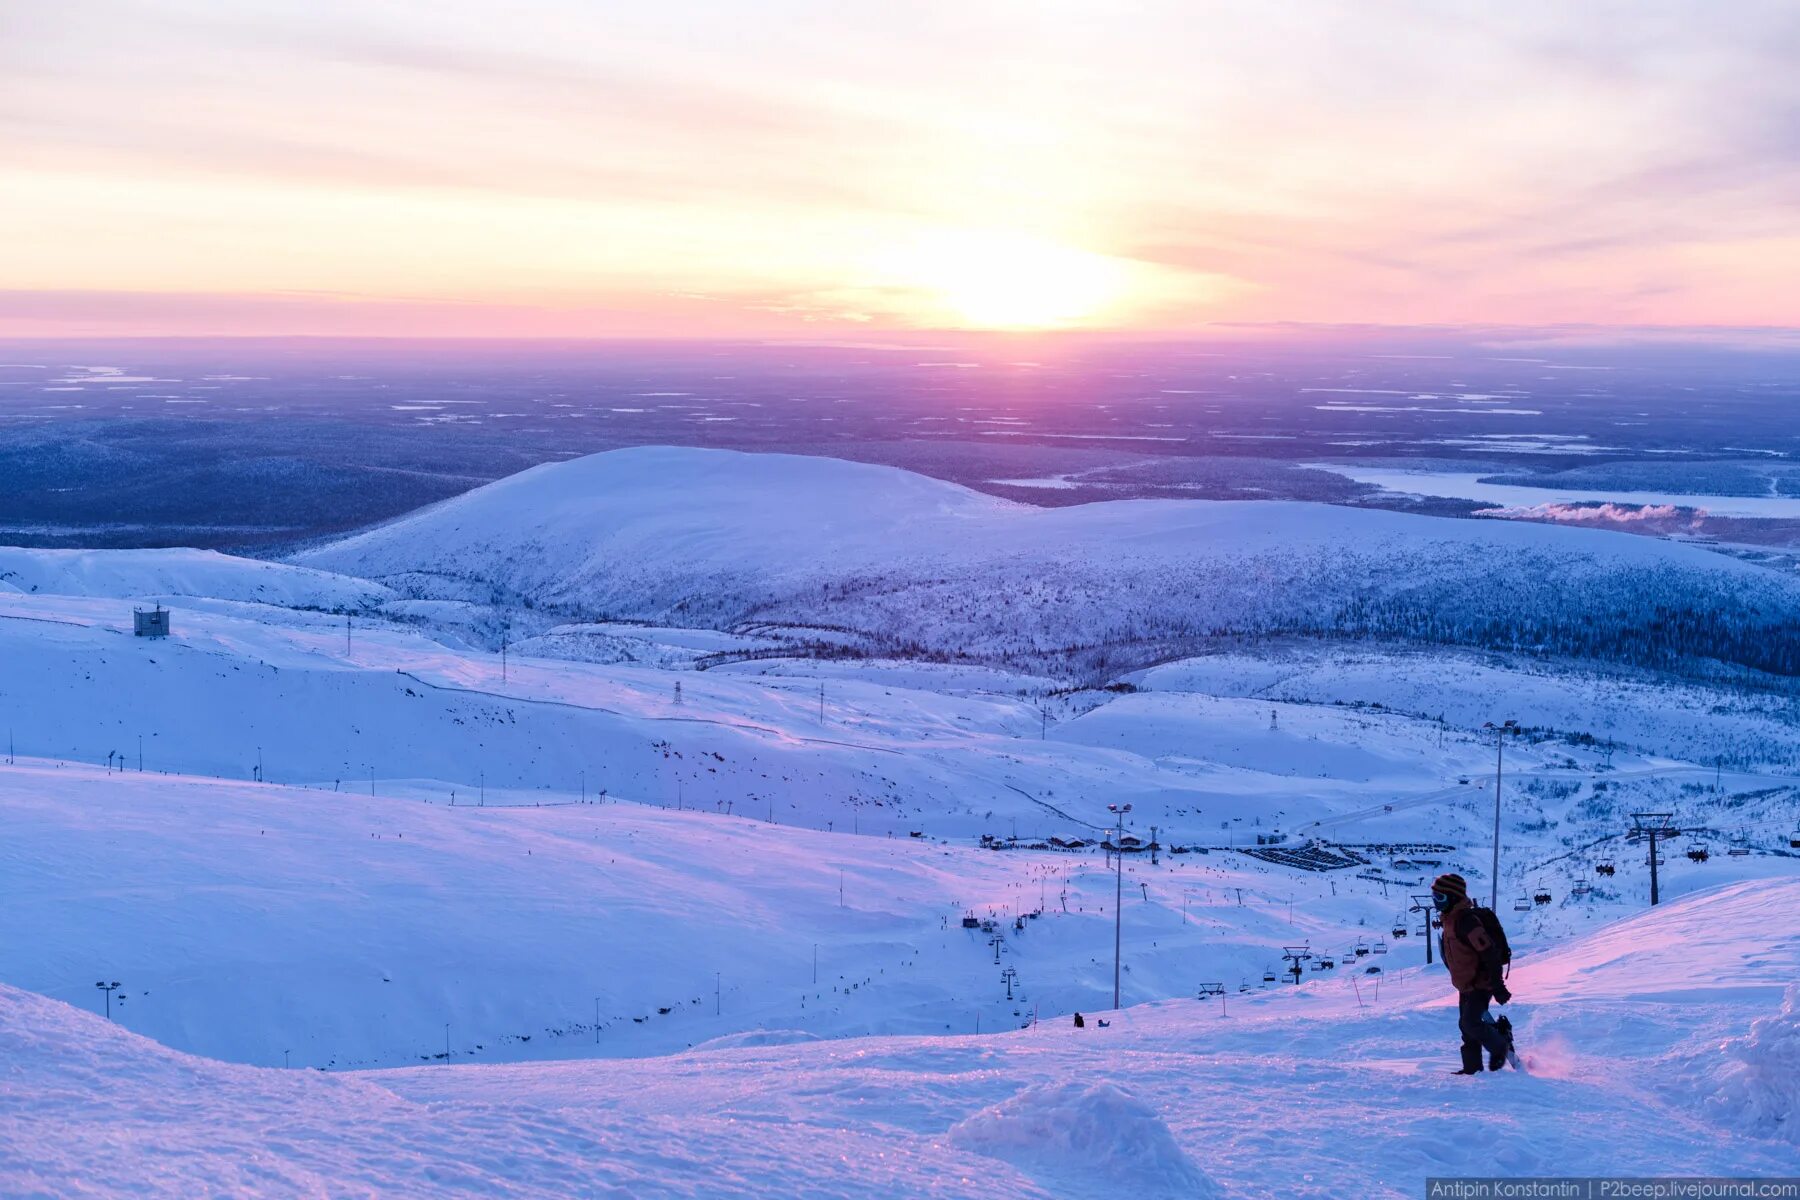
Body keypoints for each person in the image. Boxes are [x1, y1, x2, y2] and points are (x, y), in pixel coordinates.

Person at [1432, 872, 1515, 1073]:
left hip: (1481, 982)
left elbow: (1490, 953)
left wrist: (1498, 986)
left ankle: (1500, 1045)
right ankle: (1472, 1068)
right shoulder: (1449, 920)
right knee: (1466, 1027)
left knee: (1470, 1023)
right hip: (1466, 983)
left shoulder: (1466, 921)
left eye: (1440, 897)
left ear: (1453, 897)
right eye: (1434, 897)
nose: (1436, 902)